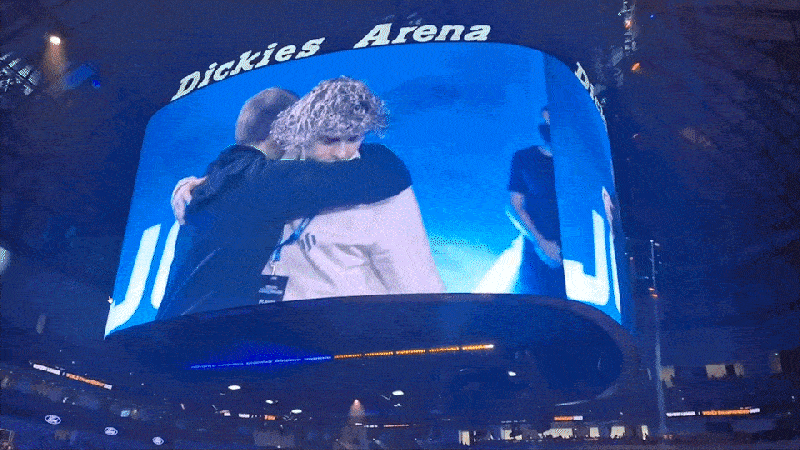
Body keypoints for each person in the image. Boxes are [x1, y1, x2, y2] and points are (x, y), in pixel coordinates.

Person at [155, 87, 413, 320]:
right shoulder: (263, 180)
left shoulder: (214, 179)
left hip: (172, 330)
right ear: (286, 133)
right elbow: (387, 172)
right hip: (205, 338)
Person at [267, 77, 445, 299]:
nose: (343, 153)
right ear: (303, 135)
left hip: (354, 327)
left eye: (353, 138)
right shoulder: (267, 178)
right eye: (329, 140)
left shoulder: (385, 190)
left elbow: (419, 286)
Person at [506, 105, 566, 297]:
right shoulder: (524, 158)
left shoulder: (575, 164)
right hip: (537, 256)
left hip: (576, 257)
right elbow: (514, 206)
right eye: (546, 122)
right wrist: (542, 242)